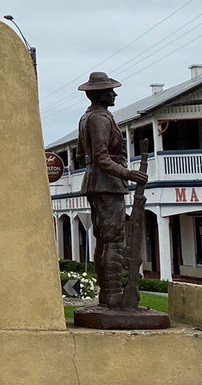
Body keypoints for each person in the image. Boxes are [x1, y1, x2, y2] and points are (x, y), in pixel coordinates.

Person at [75, 71, 148, 310]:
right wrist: (127, 173)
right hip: (106, 184)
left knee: (104, 241)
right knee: (113, 240)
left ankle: (108, 295)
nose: (114, 94)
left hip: (98, 183)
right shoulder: (100, 119)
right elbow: (100, 157)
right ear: (100, 94)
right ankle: (114, 295)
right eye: (110, 90)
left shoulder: (89, 117)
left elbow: (80, 154)